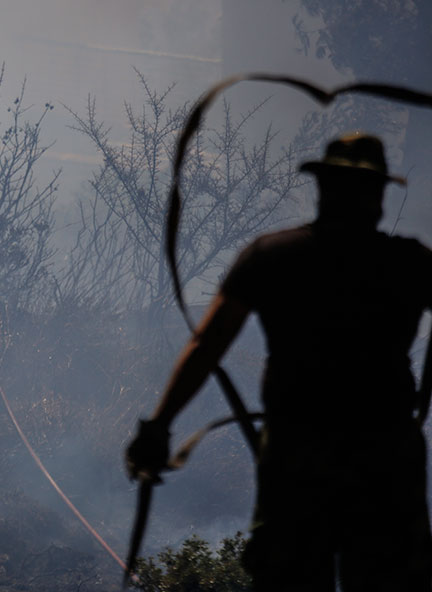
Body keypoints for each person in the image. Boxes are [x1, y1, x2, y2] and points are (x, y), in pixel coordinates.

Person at [125, 133, 432, 591]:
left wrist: (160, 426)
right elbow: (208, 345)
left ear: (323, 187)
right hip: (384, 467)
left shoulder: (273, 255)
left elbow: (208, 344)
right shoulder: (411, 264)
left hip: (298, 464)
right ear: (379, 193)